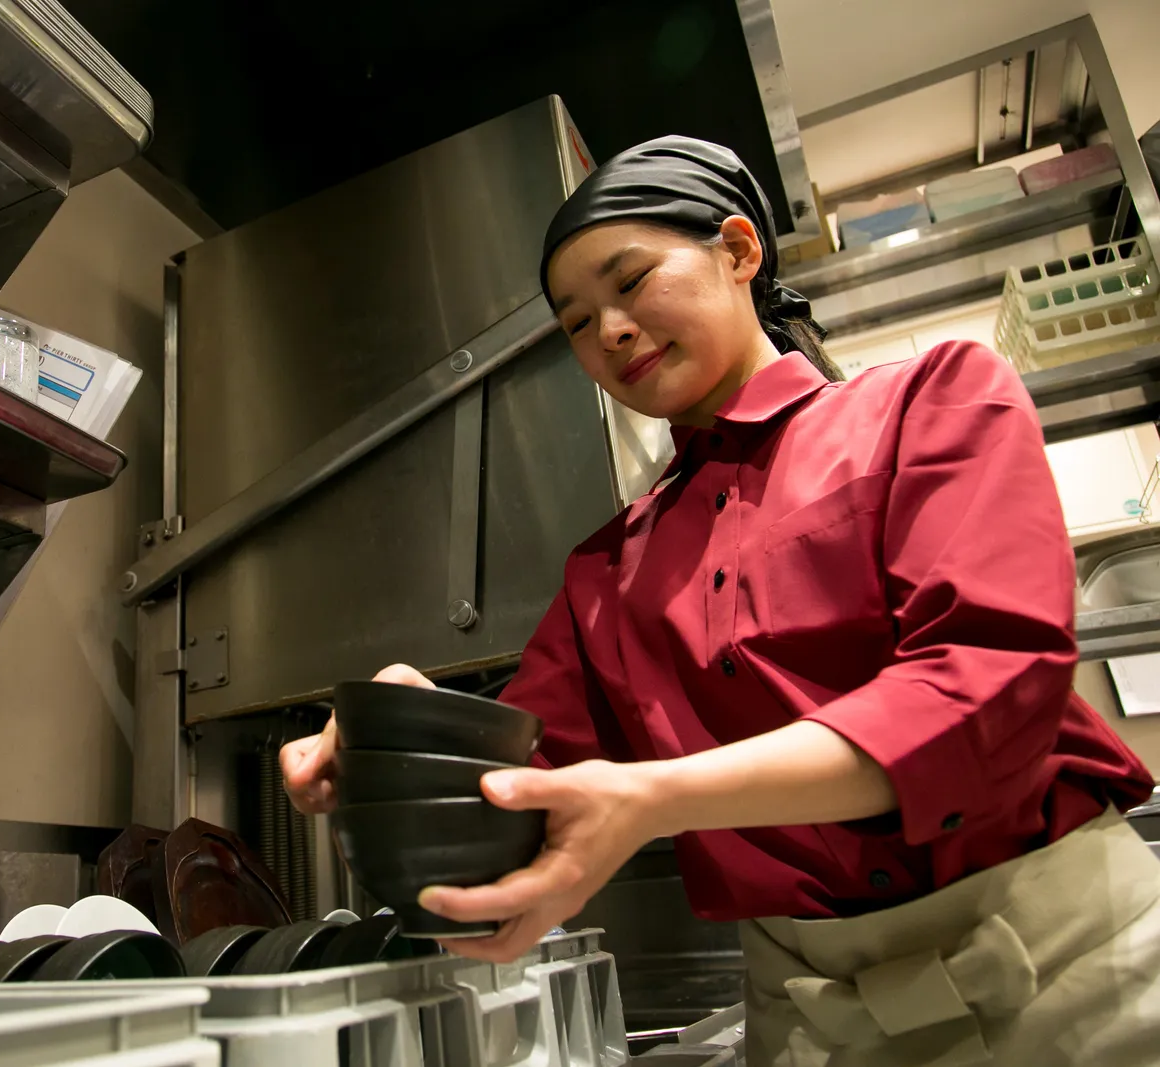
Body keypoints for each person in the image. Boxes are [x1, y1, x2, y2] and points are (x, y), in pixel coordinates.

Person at [282, 136, 1160, 1065]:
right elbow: (533, 780)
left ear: (740, 251)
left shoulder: (928, 400)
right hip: (812, 1017)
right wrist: (403, 727)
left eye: (630, 282)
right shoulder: (606, 573)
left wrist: (653, 795)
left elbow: (986, 683)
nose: (610, 330)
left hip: (1065, 974)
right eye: (577, 322)